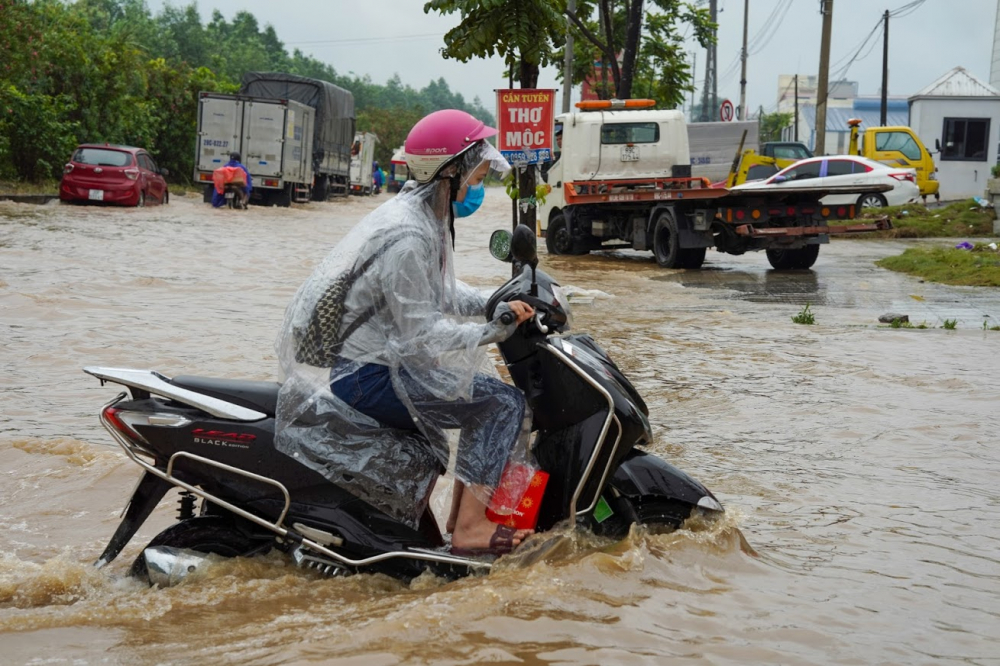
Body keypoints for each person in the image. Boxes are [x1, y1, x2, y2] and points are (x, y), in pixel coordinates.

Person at [275, 109, 537, 556]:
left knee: (489, 400)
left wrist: (492, 302)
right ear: (449, 170)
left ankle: (459, 520)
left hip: (376, 368)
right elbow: (422, 334)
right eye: (474, 168)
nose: (478, 179)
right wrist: (493, 331)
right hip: (370, 376)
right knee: (500, 404)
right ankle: (471, 529)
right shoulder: (408, 236)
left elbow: (434, 293)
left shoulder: (420, 218)